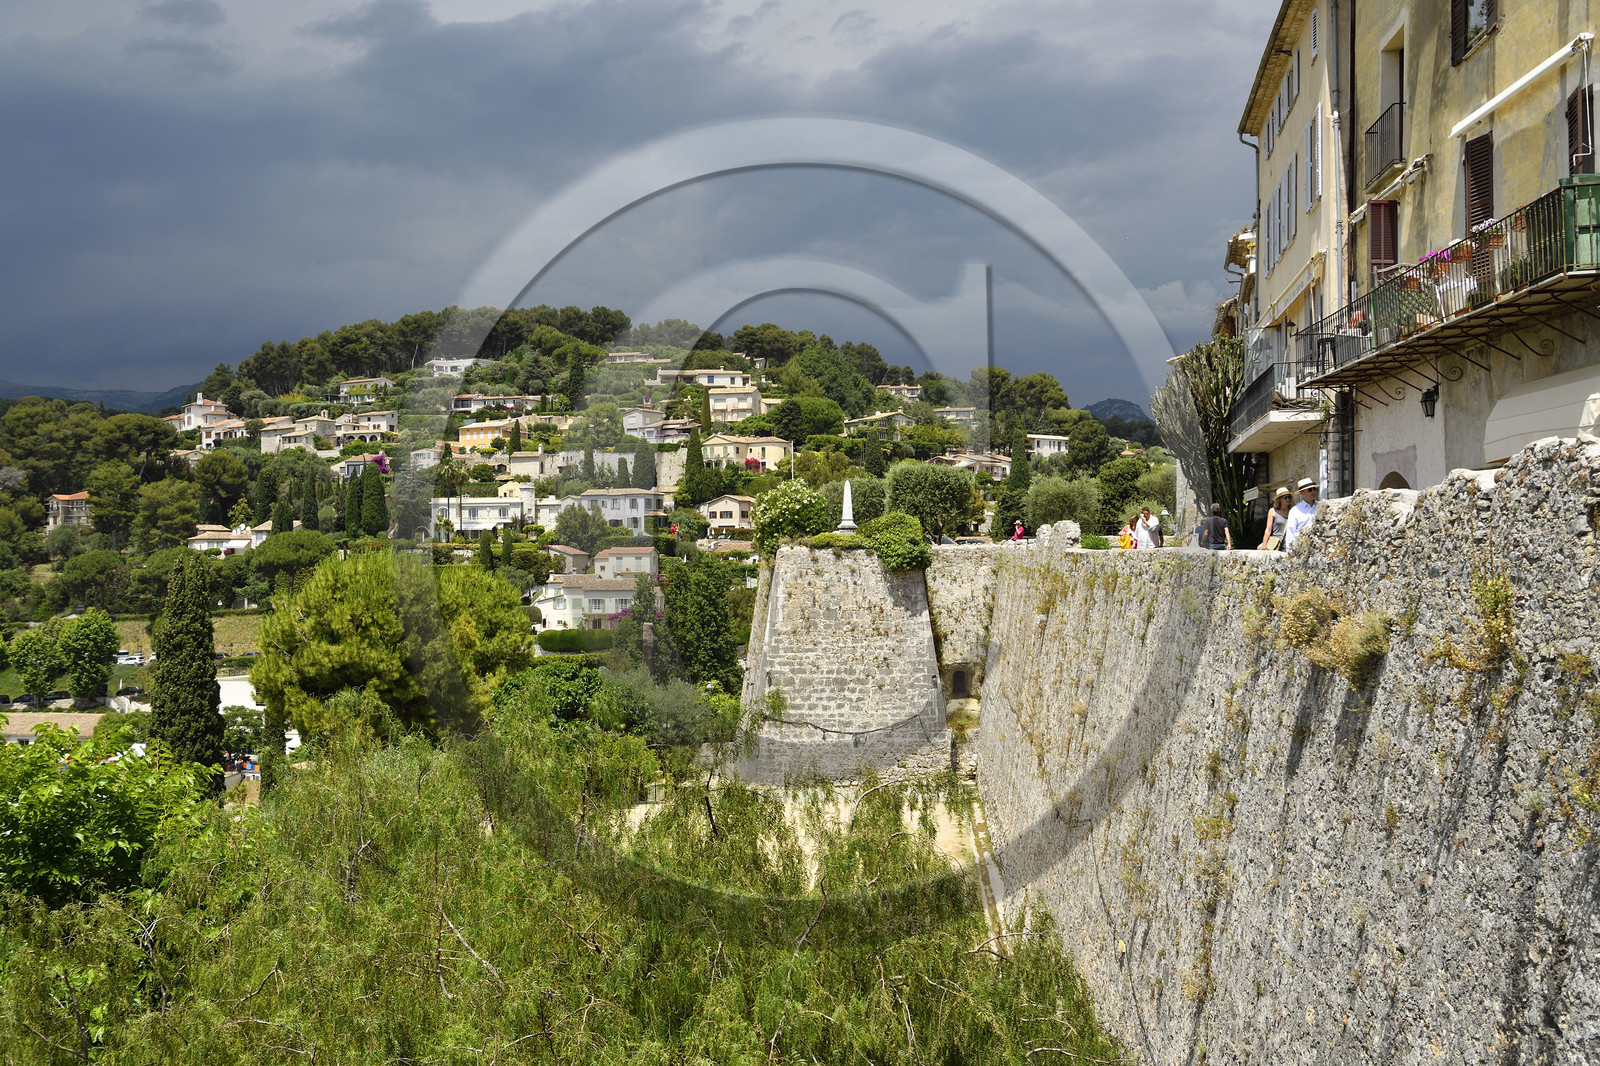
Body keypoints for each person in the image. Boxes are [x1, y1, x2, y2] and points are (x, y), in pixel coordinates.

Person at [1283, 477, 1320, 551]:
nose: (1313, 492)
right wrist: (1290, 551)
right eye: (1310, 490)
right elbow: (1290, 532)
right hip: (1301, 548)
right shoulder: (1295, 511)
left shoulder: (1321, 506)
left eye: (1314, 489)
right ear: (1301, 493)